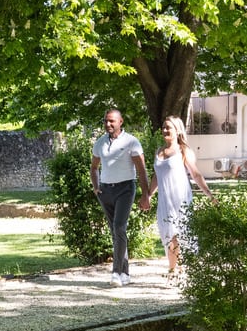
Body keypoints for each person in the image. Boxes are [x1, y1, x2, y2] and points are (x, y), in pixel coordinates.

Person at [90, 108, 150, 286]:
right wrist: (96, 186)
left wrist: (145, 195)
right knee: (116, 232)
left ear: (120, 122)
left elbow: (141, 170)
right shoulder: (100, 142)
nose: (108, 124)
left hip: (125, 189)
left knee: (118, 227)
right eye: (105, 121)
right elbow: (94, 167)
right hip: (106, 191)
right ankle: (125, 274)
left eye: (111, 121)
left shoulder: (131, 142)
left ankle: (116, 273)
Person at [152, 116, 213, 281]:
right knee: (167, 234)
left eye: (168, 128)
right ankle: (177, 267)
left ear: (177, 131)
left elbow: (196, 174)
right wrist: (148, 195)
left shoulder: (183, 151)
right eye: (164, 127)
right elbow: (156, 177)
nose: (165, 130)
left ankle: (174, 269)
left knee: (178, 233)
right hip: (165, 200)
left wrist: (209, 194)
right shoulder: (158, 151)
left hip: (180, 198)